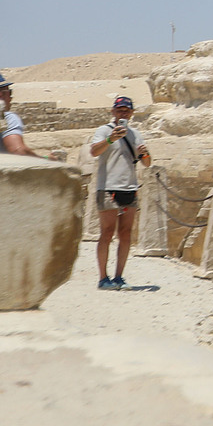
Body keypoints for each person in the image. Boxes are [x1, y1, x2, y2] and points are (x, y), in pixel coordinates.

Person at [87, 96, 150, 289]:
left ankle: (119, 277)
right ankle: (103, 278)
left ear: (131, 113)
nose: (123, 113)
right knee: (106, 232)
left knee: (125, 233)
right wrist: (110, 139)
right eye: (120, 110)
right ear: (113, 112)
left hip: (129, 187)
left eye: (126, 110)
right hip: (108, 187)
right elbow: (94, 152)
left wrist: (146, 153)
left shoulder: (136, 134)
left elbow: (146, 163)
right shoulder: (103, 130)